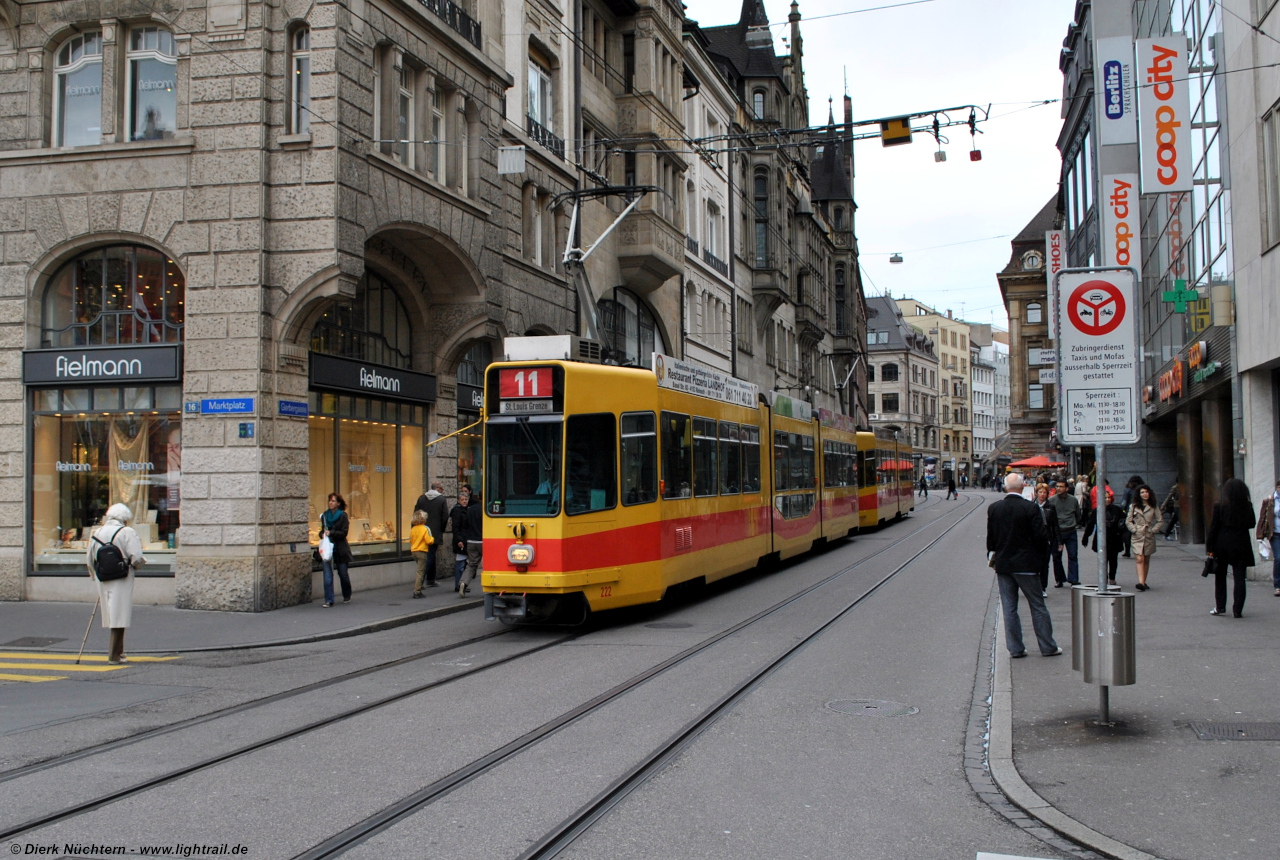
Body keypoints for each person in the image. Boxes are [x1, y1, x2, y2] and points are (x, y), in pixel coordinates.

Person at [987, 473, 1062, 658]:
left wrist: (994, 558)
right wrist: (1040, 560)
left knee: (1009, 607)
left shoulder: (994, 508)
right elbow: (1041, 537)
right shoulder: (1031, 508)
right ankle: (1047, 647)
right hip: (1027, 565)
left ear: (1005, 488)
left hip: (1004, 565)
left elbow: (991, 539)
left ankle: (1015, 649)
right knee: (1037, 605)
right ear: (1023, 487)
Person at [85, 503, 146, 663]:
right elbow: (137, 557)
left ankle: (119, 651)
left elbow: (90, 558)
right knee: (120, 614)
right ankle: (114, 654)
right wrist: (136, 566)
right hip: (122, 576)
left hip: (103, 576)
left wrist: (95, 575)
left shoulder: (98, 532)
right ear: (125, 519)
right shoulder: (127, 532)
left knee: (112, 613)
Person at [1206, 478, 1256, 618]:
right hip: (1241, 544)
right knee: (1239, 577)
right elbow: (1252, 523)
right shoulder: (1247, 505)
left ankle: (1220, 606)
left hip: (1222, 544)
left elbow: (1213, 528)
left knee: (1220, 576)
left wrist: (1210, 548)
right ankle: (1237, 610)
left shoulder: (1219, 505)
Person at [1082, 491, 1126, 588]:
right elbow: (1090, 525)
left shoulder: (1117, 510)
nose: (1107, 500)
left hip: (1114, 538)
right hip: (1102, 538)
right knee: (1103, 559)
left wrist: (1123, 535)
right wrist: (1085, 537)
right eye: (1105, 498)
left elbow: (1123, 523)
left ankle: (1112, 577)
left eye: (1108, 498)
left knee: (1113, 559)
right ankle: (1104, 578)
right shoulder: (1097, 511)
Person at [319, 492, 353, 607]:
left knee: (343, 574)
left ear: (338, 503)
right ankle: (329, 600)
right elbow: (321, 530)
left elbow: (344, 532)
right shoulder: (324, 516)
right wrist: (322, 534)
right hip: (328, 548)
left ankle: (347, 594)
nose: (330, 503)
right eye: (329, 500)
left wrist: (331, 532)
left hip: (340, 549)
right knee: (327, 575)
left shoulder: (343, 515)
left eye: (333, 501)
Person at [414, 481, 450, 589]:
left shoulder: (421, 498)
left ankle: (430, 579)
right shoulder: (441, 500)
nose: (442, 491)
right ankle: (422, 580)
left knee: (429, 555)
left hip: (421, 530)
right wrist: (441, 530)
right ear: (438, 489)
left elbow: (415, 514)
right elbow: (445, 516)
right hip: (434, 532)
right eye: (442, 489)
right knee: (430, 555)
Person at [1047, 480, 1082, 586]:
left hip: (1071, 531)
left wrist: (1074, 523)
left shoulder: (1073, 500)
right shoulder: (1052, 500)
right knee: (1056, 557)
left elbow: (1078, 514)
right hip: (1057, 532)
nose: (1059, 488)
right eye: (1057, 486)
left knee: (1073, 555)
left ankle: (1073, 579)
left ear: (1067, 488)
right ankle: (1060, 579)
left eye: (1061, 486)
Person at [1126, 485, 1160, 591]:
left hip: (1148, 535)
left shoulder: (1153, 506)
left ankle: (1144, 581)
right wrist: (1134, 529)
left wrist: (1153, 530)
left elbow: (1160, 521)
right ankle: (1141, 582)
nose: (1145, 494)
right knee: (1139, 559)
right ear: (1138, 495)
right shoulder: (1134, 506)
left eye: (1146, 492)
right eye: (1142, 492)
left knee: (1146, 559)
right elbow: (1128, 520)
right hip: (1137, 535)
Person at [1255, 480, 1280, 597]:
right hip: (1275, 534)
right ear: (1277, 487)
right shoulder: (1270, 501)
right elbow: (1262, 517)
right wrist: (1260, 535)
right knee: (1279, 558)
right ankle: (1278, 585)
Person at [1034, 483, 1059, 596]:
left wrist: (1059, 541)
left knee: (1045, 564)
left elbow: (1055, 525)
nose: (1042, 494)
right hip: (1034, 540)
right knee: (1034, 564)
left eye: (1044, 492)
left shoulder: (1051, 507)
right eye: (1040, 492)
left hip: (1047, 539)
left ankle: (1042, 587)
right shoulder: (1031, 506)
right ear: (1036, 493)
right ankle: (1034, 587)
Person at [457, 488, 484, 597]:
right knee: (489, 564)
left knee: (471, 564)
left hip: (471, 540)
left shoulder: (471, 509)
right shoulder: (487, 509)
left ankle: (463, 582)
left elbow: (466, 524)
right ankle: (490, 586)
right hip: (483, 540)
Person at [448, 485, 472, 592]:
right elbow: (456, 527)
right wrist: (459, 540)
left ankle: (462, 584)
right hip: (460, 540)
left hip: (465, 539)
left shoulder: (466, 510)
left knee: (464, 564)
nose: (465, 501)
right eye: (462, 500)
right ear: (458, 501)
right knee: (460, 564)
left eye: (466, 499)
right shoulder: (458, 511)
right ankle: (459, 584)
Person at [410, 510, 436, 597]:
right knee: (420, 572)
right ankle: (417, 591)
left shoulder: (413, 529)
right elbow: (429, 541)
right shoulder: (425, 528)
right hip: (422, 551)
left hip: (414, 551)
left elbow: (411, 540)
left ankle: (418, 588)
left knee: (419, 570)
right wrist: (433, 539)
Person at [1119, 476, 1144, 557]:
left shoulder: (1128, 490)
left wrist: (1121, 510)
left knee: (1127, 532)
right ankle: (1140, 550)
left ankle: (1127, 551)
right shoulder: (1142, 490)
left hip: (1129, 513)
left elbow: (1123, 503)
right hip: (1141, 513)